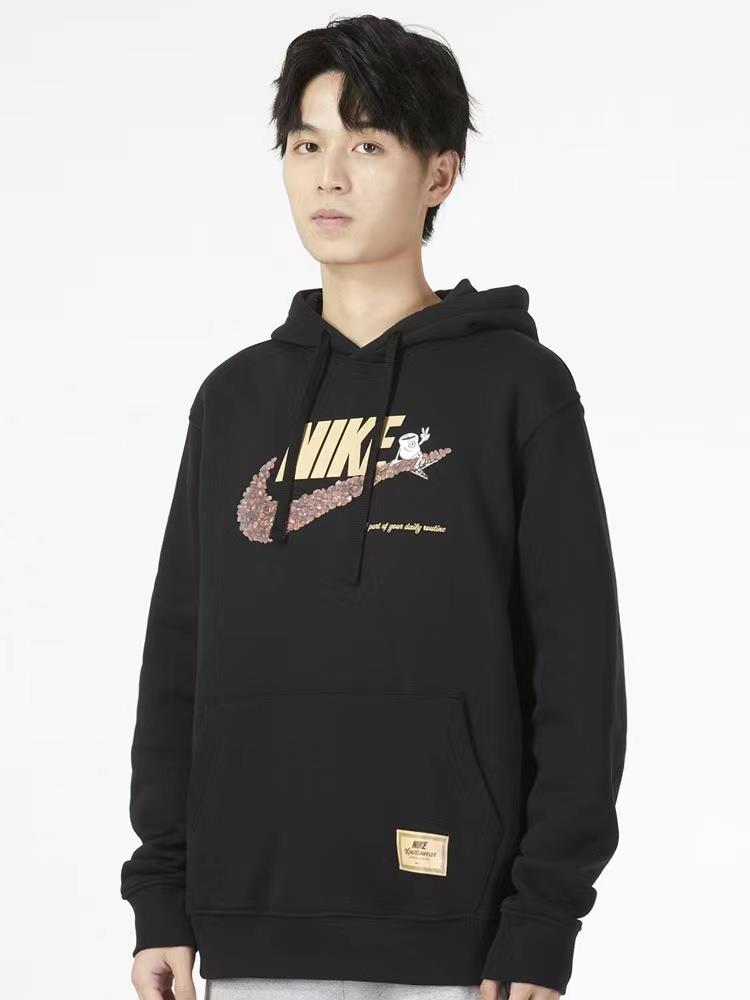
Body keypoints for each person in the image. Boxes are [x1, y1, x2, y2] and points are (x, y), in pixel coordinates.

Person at [120, 14, 627, 1000]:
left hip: (458, 933)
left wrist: (543, 918)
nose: (329, 178)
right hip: (251, 925)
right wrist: (162, 894)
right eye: (306, 145)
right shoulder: (235, 401)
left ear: (439, 174)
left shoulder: (517, 390)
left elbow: (578, 673)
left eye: (366, 146)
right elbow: (178, 657)